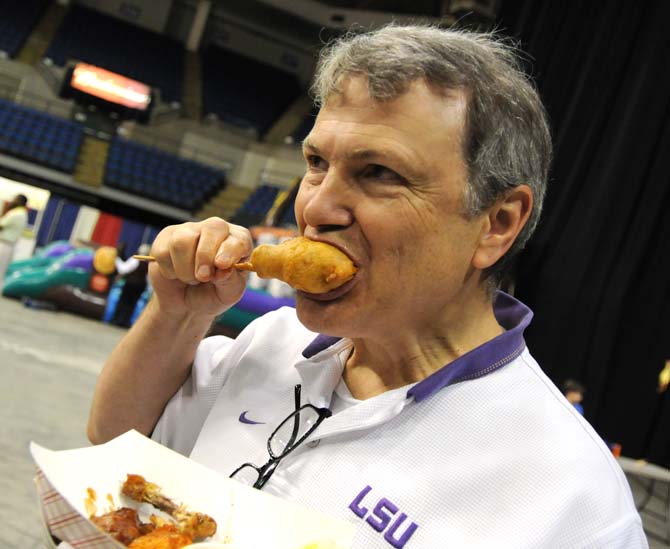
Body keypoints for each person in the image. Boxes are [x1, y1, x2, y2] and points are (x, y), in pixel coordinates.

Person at [88, 25, 646, 547]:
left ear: (495, 224)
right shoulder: (272, 341)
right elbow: (115, 439)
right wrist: (177, 315)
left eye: (378, 172)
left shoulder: (575, 504)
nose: (317, 206)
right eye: (315, 161)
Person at [110, 243, 151, 327]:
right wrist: (149, 290)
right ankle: (125, 322)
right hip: (141, 286)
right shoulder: (149, 263)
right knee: (132, 304)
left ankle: (116, 320)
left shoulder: (135, 259)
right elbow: (149, 278)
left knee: (123, 301)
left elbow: (123, 269)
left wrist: (116, 259)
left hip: (130, 284)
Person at [0, 194, 29, 287]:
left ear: (19, 201)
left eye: (15, 199)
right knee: (2, 270)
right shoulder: (23, 214)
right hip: (9, 246)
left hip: (4, 244)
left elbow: (1, 225)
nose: (12, 200)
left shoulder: (15, 213)